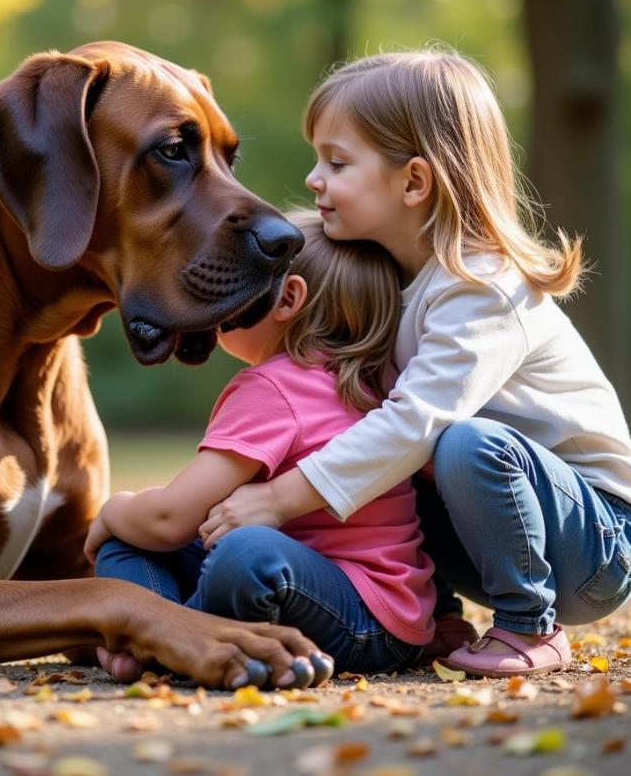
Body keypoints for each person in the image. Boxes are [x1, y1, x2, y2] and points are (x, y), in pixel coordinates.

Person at [197, 50, 631, 678]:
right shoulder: (394, 284)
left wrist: (277, 500)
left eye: (337, 162)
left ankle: (530, 626)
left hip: (594, 541)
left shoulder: (481, 285)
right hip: (488, 533)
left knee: (456, 442)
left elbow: (415, 424)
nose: (314, 179)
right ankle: (433, 616)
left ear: (414, 182)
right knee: (382, 446)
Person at [84, 211, 436, 682]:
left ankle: (168, 639)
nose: (221, 291)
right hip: (384, 620)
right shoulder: (378, 384)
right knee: (164, 546)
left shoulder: (272, 389)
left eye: (240, 276)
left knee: (233, 550)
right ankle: (155, 633)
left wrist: (113, 511)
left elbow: (171, 519)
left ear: (287, 298)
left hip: (357, 621)